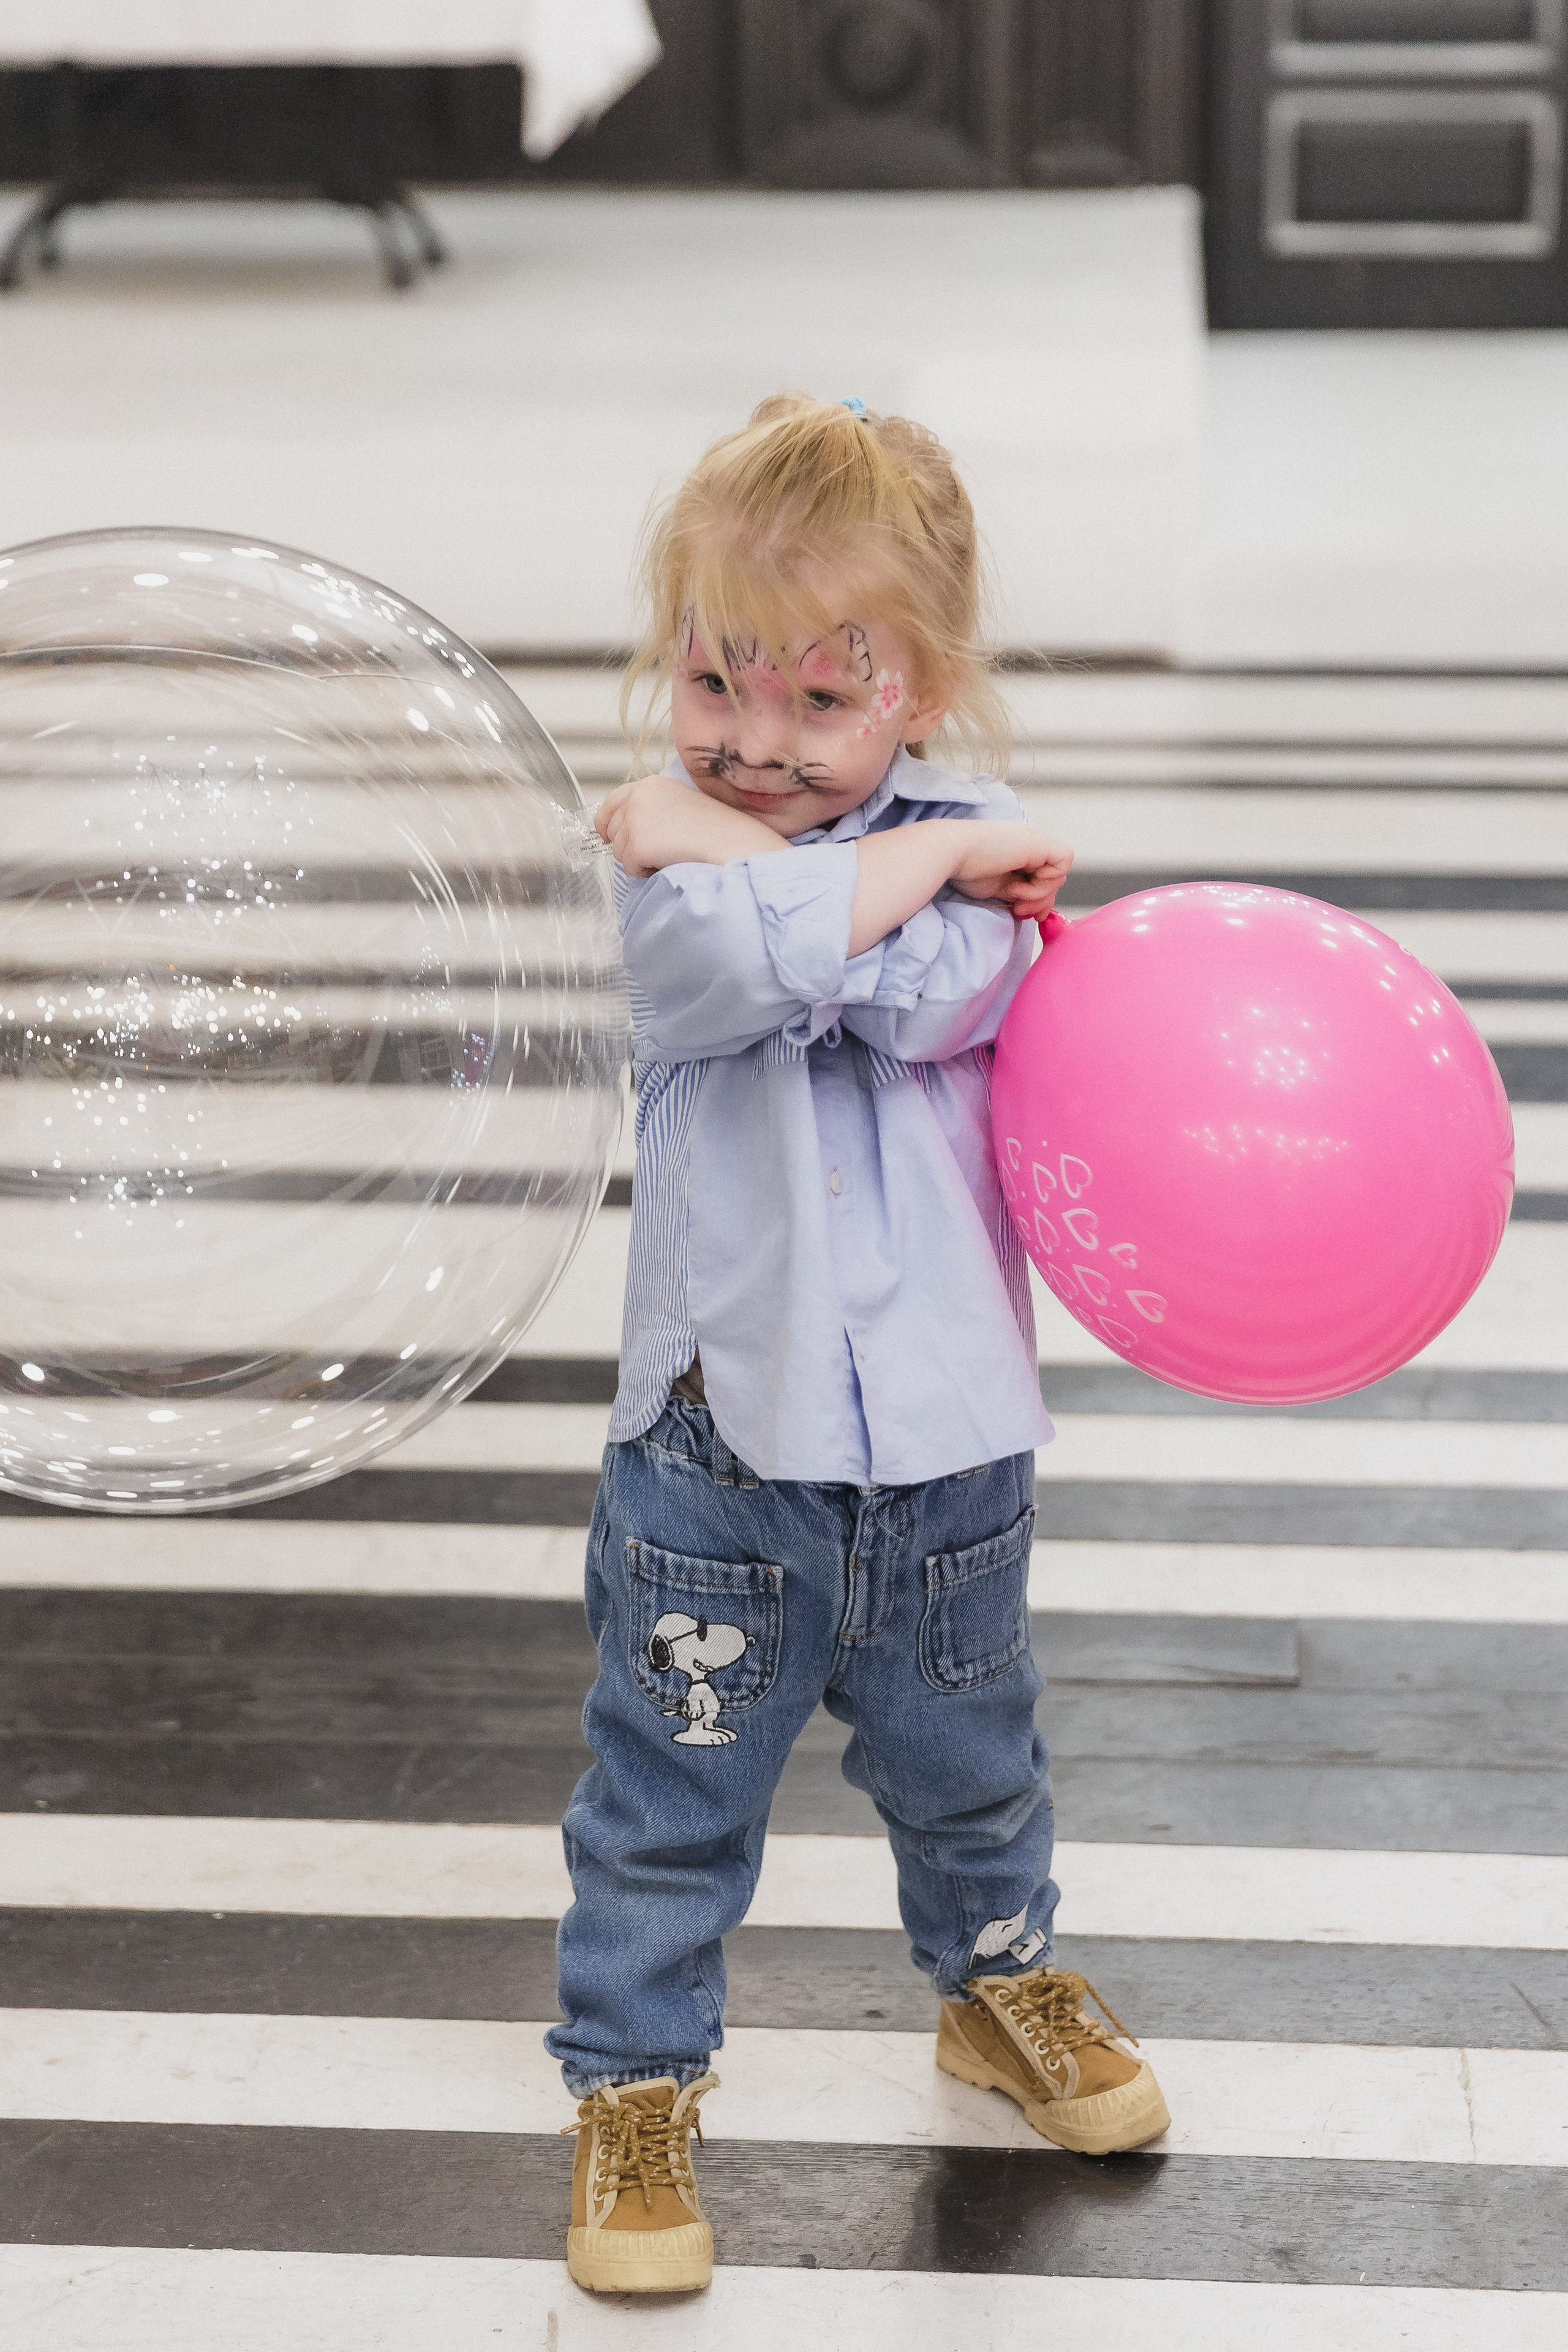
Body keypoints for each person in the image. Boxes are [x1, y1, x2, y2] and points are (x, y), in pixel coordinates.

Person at [550, 393, 1170, 2296]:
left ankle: (995, 1986)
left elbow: (900, 1003)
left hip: (950, 1443)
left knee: (972, 1760)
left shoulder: (933, 878)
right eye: (717, 686)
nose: (754, 743)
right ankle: (635, 2087)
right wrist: (898, 867)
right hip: (717, 1450)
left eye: (826, 701)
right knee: (671, 1795)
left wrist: (802, 877)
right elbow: (717, 979)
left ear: (926, 689)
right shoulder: (727, 874)